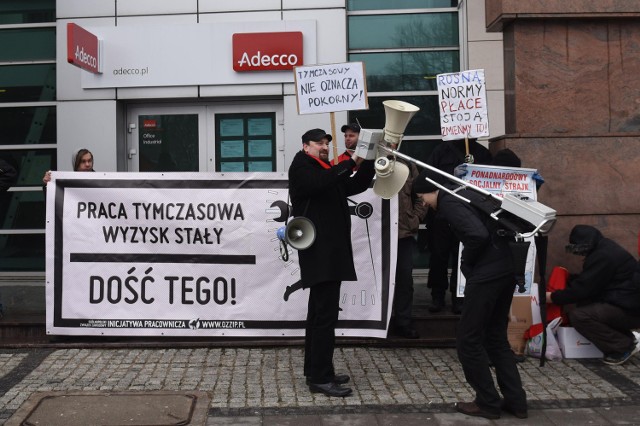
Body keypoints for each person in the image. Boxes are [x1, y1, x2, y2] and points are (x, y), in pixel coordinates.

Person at [413, 168, 528, 420]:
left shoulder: (450, 201)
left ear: (432, 190)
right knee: (495, 337)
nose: (423, 202)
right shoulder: (464, 194)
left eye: (423, 196)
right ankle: (516, 402)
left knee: (468, 339)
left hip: (488, 273)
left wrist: (467, 264)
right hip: (507, 265)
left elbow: (477, 235)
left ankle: (487, 402)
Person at [288, 128, 374, 398]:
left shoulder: (324, 169)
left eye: (326, 143)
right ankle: (320, 378)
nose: (324, 146)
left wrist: (369, 160)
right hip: (320, 253)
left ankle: (316, 370)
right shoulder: (302, 166)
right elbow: (320, 182)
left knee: (319, 314)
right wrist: (350, 162)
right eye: (319, 143)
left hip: (329, 252)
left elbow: (354, 185)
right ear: (305, 146)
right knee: (324, 317)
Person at [547, 225, 640, 365]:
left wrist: (552, 298)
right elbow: (592, 280)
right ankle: (625, 340)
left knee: (580, 316)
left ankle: (621, 347)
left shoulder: (602, 256)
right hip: (627, 303)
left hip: (630, 308)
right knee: (587, 306)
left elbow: (583, 289)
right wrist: (570, 279)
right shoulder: (604, 248)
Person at [425, 138, 492, 314]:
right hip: (442, 213)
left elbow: (491, 180)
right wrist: (449, 176)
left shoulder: (481, 152)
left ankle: (459, 296)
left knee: (462, 254)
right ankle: (437, 295)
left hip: (469, 214)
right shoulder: (440, 150)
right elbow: (428, 177)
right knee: (439, 255)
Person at [392, 152, 428, 339]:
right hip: (375, 234)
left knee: (404, 279)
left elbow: (421, 193)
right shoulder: (368, 162)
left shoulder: (407, 164)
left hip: (403, 233)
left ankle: (403, 322)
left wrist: (416, 218)